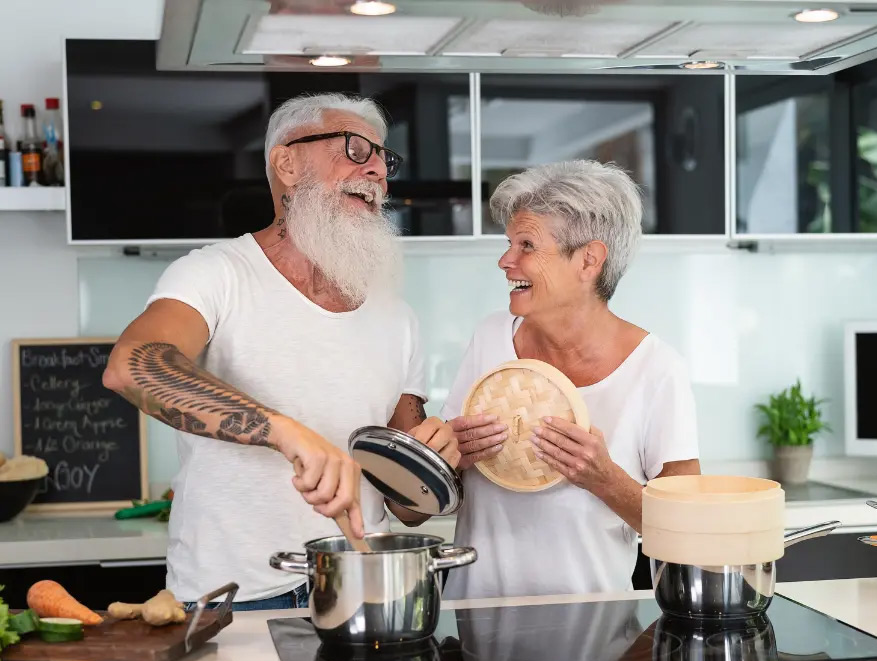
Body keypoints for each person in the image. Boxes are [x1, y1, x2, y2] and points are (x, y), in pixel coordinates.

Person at [103, 93, 458, 610]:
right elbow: (132, 367)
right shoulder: (215, 274)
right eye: (356, 150)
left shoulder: (398, 317)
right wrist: (285, 432)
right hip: (235, 595)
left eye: (384, 158)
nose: (379, 169)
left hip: (362, 591)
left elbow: (409, 509)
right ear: (287, 163)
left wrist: (436, 461)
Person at [442, 160, 700, 600]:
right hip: (473, 630)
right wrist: (451, 457)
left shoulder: (657, 370)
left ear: (588, 260)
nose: (505, 261)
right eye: (509, 243)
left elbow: (691, 533)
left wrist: (605, 479)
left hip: (594, 639)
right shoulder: (489, 337)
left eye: (527, 244)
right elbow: (432, 490)